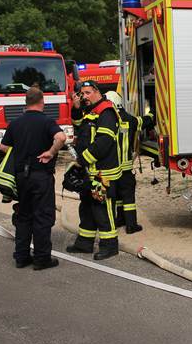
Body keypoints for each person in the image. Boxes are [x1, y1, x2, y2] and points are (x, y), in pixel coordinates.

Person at [0, 87, 67, 270]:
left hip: (21, 177)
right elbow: (61, 138)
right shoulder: (47, 121)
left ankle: (21, 257)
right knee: (42, 216)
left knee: (23, 216)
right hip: (41, 175)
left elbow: (3, 147)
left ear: (26, 102)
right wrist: (51, 152)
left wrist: (20, 153)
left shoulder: (15, 123)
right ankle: (42, 259)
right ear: (42, 101)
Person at [66, 80, 122, 260]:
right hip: (89, 171)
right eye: (82, 94)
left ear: (97, 92)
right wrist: (76, 108)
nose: (84, 97)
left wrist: (81, 160)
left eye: (88, 93)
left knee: (103, 210)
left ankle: (110, 246)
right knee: (87, 208)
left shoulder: (106, 112)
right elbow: (79, 125)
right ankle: (84, 243)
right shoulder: (91, 111)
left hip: (103, 173)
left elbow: (103, 143)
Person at [105, 90, 154, 233]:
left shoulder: (105, 120)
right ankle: (131, 225)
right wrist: (153, 112)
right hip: (126, 168)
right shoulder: (129, 119)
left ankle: (119, 219)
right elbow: (143, 121)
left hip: (112, 168)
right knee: (128, 197)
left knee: (117, 196)